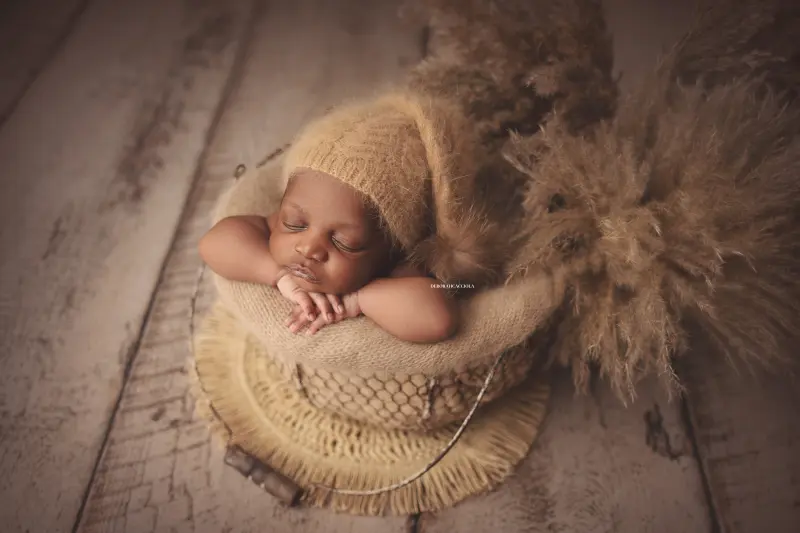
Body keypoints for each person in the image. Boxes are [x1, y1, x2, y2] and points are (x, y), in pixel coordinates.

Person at [199, 92, 474, 343]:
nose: (309, 248)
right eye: (295, 223)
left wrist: (359, 299)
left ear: (391, 249)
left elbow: (437, 319)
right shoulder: (285, 226)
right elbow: (215, 243)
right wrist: (278, 275)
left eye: (344, 242)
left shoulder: (397, 267)